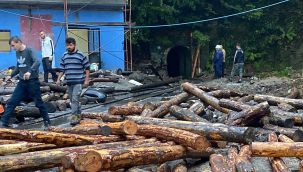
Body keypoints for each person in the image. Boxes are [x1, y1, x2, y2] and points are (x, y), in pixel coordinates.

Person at [0, 36, 50, 129]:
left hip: (32, 82)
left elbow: (37, 62)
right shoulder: (17, 53)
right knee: (12, 102)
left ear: (19, 42)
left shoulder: (30, 50)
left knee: (38, 103)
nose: (12, 48)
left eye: (13, 45)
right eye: (11, 46)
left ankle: (47, 121)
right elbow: (19, 66)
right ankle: (3, 123)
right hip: (22, 82)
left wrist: (29, 71)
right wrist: (9, 76)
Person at [56, 37, 90, 126]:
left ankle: (74, 118)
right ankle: (79, 115)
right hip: (69, 82)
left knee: (74, 99)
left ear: (74, 45)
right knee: (73, 100)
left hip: (78, 82)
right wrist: (58, 79)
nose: (68, 47)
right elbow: (62, 69)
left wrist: (87, 80)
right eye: (67, 45)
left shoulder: (80, 55)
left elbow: (87, 68)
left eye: (70, 45)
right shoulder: (64, 56)